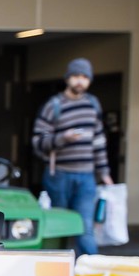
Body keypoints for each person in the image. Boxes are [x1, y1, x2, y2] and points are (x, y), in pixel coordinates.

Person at [32, 58, 110, 258]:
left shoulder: (93, 105)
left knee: (86, 227)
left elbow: (99, 142)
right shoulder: (54, 105)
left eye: (85, 77)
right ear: (68, 79)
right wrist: (62, 138)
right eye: (76, 76)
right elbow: (38, 141)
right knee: (59, 227)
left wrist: (104, 173)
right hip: (59, 175)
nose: (80, 81)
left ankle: (92, 273)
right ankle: (57, 274)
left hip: (86, 176)